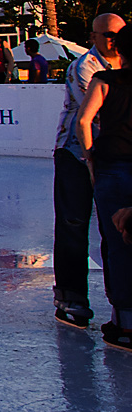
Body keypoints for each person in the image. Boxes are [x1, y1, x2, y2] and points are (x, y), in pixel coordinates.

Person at [54, 13, 125, 329]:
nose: (112, 40)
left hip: (112, 157)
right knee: (73, 223)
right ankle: (72, 297)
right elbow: (95, 117)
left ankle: (120, 302)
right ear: (93, 36)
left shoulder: (125, 65)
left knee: (116, 229)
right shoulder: (84, 68)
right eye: (106, 34)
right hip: (76, 155)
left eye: (118, 34)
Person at [75, 21, 132, 351]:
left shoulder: (104, 80)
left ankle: (124, 320)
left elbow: (84, 121)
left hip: (111, 167)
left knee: (117, 244)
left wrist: (90, 157)